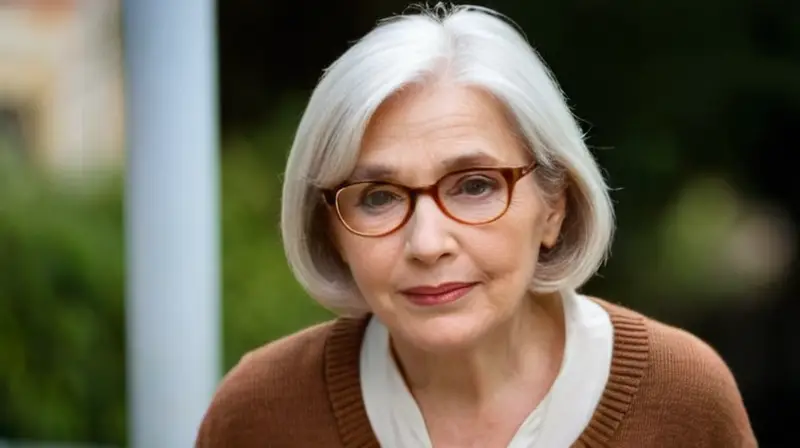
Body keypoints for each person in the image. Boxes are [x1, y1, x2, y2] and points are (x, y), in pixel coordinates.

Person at [196, 4, 757, 447]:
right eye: (378, 197)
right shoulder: (261, 413)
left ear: (554, 207)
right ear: (332, 232)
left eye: (474, 186)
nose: (428, 243)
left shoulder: (682, 399)